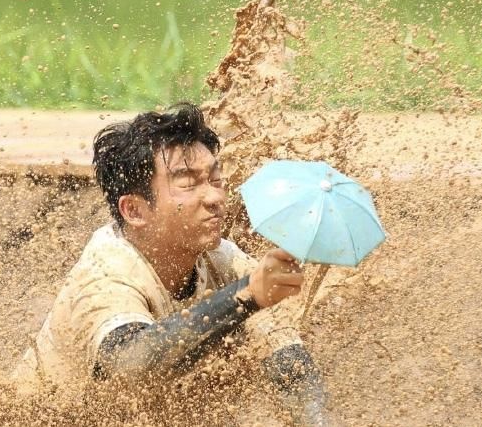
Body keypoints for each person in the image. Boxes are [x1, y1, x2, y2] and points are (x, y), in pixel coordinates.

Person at [17, 103, 334, 426]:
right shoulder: (105, 274)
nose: (215, 198)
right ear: (134, 211)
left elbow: (289, 363)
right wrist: (247, 295)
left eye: (215, 179)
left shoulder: (225, 261)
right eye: (188, 184)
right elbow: (130, 369)